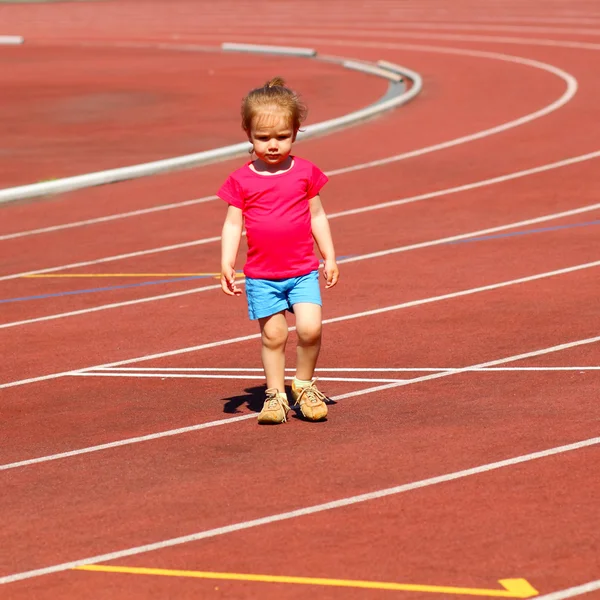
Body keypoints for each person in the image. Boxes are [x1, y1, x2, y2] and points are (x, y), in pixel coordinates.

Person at [218, 77, 339, 425]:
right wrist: (226, 262)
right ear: (248, 133)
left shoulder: (305, 172)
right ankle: (275, 395)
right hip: (262, 276)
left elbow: (317, 215)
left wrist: (329, 256)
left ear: (296, 131)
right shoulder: (241, 180)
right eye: (263, 138)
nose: (273, 145)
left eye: (282, 137)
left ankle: (302, 384)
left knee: (310, 329)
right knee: (273, 336)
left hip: (301, 270)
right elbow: (231, 224)